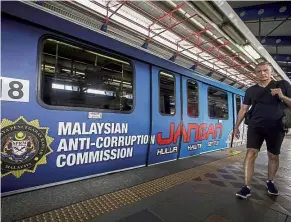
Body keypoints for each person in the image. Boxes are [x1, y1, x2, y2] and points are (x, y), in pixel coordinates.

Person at [233, 62, 291, 199]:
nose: (262, 73)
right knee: (250, 154)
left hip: (276, 127)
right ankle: (246, 187)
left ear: (271, 72)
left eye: (265, 70)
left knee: (273, 156)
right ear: (255, 74)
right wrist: (236, 127)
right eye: (259, 71)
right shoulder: (251, 90)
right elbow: (243, 109)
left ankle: (270, 181)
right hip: (255, 126)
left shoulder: (282, 85)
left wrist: (282, 97)